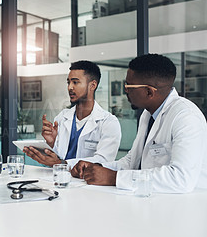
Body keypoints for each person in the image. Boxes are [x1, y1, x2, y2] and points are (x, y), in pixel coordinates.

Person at [72, 54, 207, 193]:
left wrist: (114, 177)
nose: (125, 91)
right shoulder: (148, 114)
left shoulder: (186, 117)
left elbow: (180, 178)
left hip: (185, 207)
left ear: (149, 92)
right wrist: (96, 167)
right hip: (151, 201)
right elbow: (132, 162)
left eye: (128, 86)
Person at [23, 60, 121, 167]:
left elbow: (104, 160)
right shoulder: (62, 117)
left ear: (92, 85)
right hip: (59, 180)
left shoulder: (108, 122)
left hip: (88, 183)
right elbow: (57, 160)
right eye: (68, 82)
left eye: (75, 82)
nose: (70, 87)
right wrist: (52, 143)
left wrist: (63, 164)